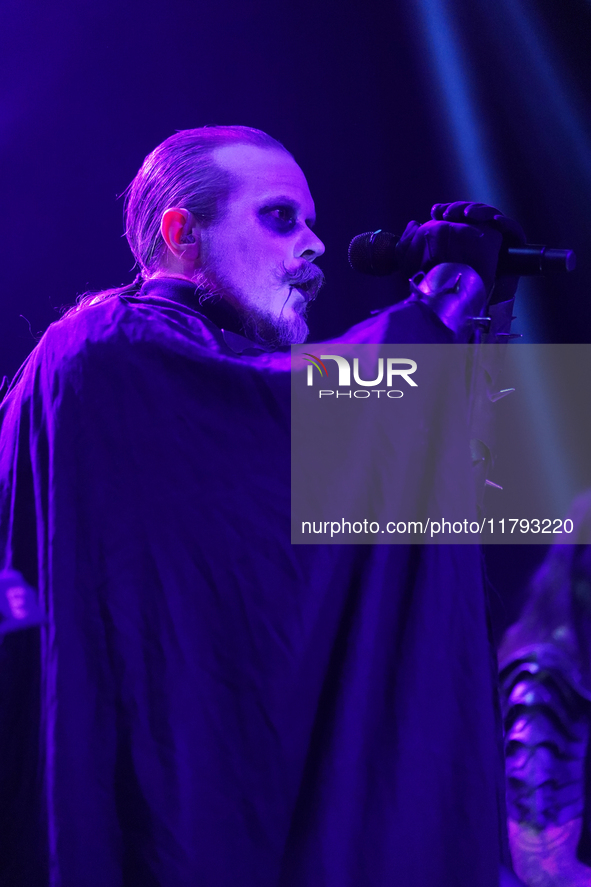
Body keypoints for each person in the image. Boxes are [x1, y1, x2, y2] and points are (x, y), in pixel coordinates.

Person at [0, 125, 521, 886]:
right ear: (181, 233)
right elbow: (311, 419)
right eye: (281, 218)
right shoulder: (110, 345)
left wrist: (471, 319)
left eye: (311, 221)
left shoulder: (175, 365)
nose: (313, 247)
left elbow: (373, 487)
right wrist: (442, 302)